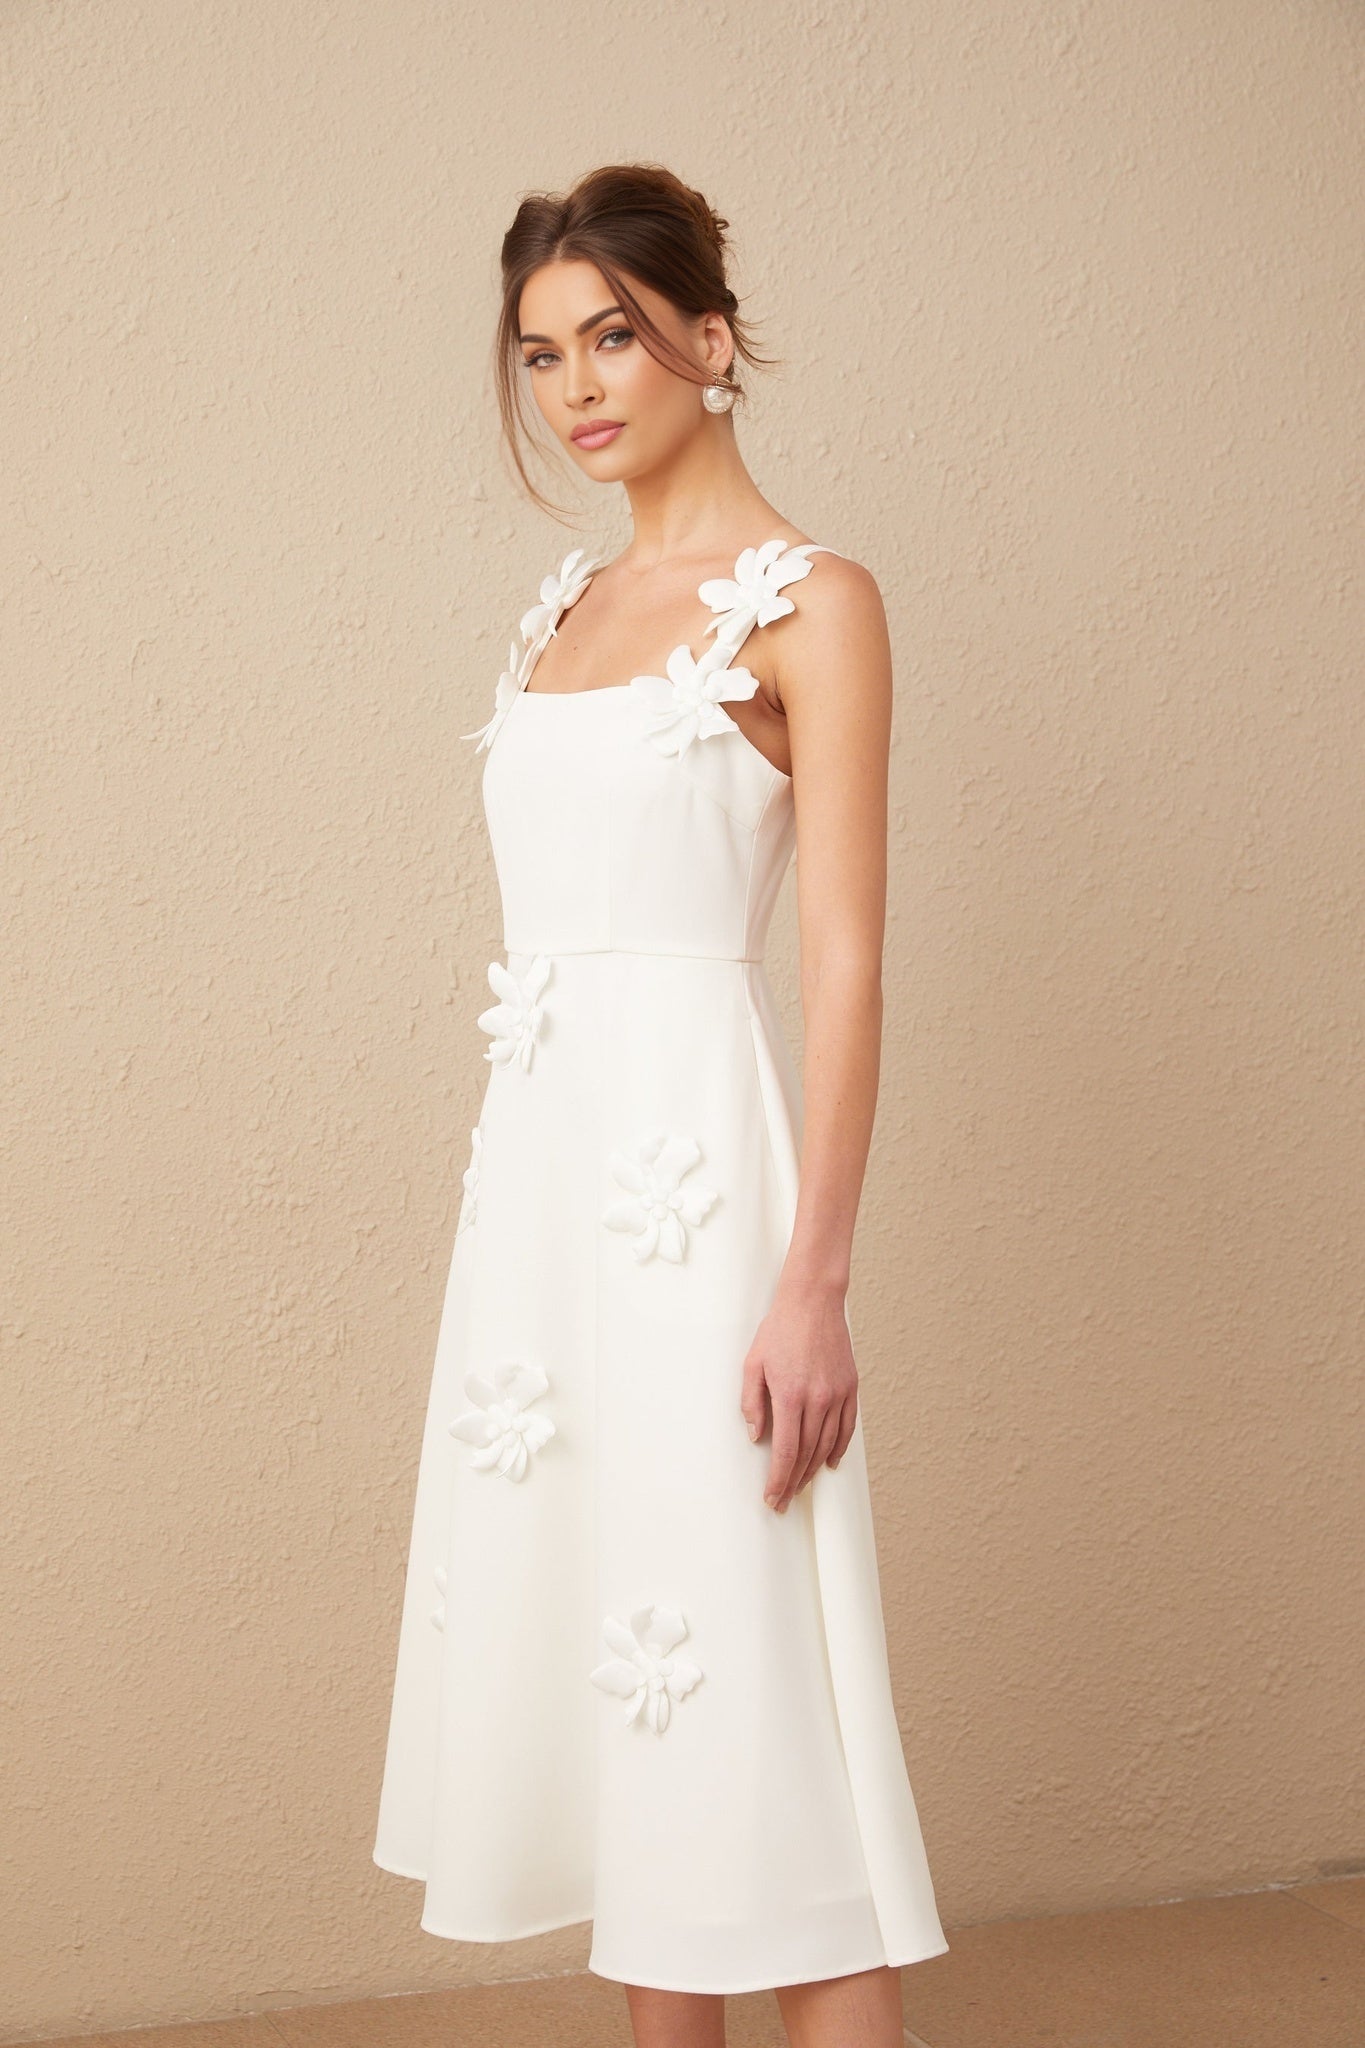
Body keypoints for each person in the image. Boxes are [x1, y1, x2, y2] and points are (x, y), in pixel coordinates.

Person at [372, 161, 949, 2048]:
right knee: (646, 1739)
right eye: (540, 354)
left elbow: (842, 961)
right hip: (539, 1221)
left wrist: (814, 1282)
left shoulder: (815, 603)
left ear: (708, 334)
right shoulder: (568, 601)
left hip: (700, 1213)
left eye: (610, 333)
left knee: (762, 1733)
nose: (575, 386)